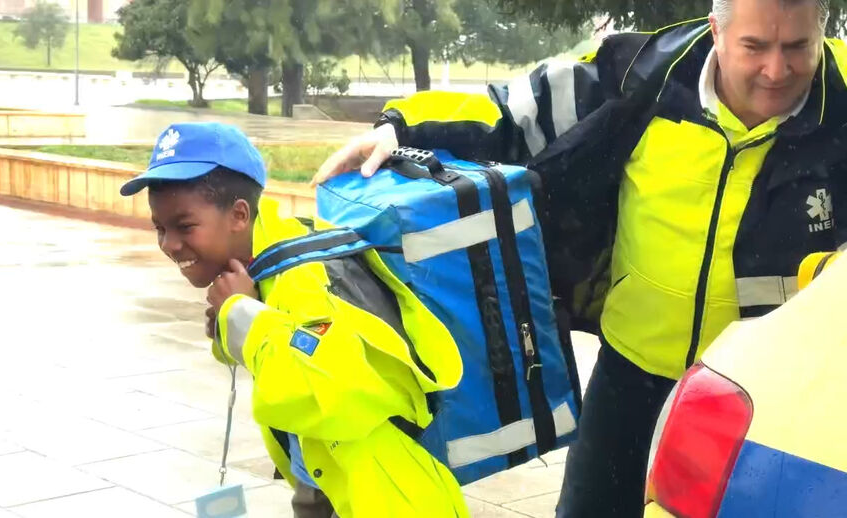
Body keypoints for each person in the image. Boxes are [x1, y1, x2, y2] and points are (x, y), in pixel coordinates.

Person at [313, 1, 847, 516]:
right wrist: (399, 127)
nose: (777, 69)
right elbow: (516, 106)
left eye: (798, 46)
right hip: (631, 373)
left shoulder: (840, 105)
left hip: (757, 398)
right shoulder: (644, 75)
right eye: (755, 46)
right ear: (716, 30)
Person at [119, 121, 468, 518]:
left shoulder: (301, 276)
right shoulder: (268, 263)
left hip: (389, 499)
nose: (169, 244)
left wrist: (241, 315)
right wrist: (235, 322)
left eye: (184, 226)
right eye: (159, 228)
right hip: (336, 483)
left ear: (238, 214)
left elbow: (333, 389)